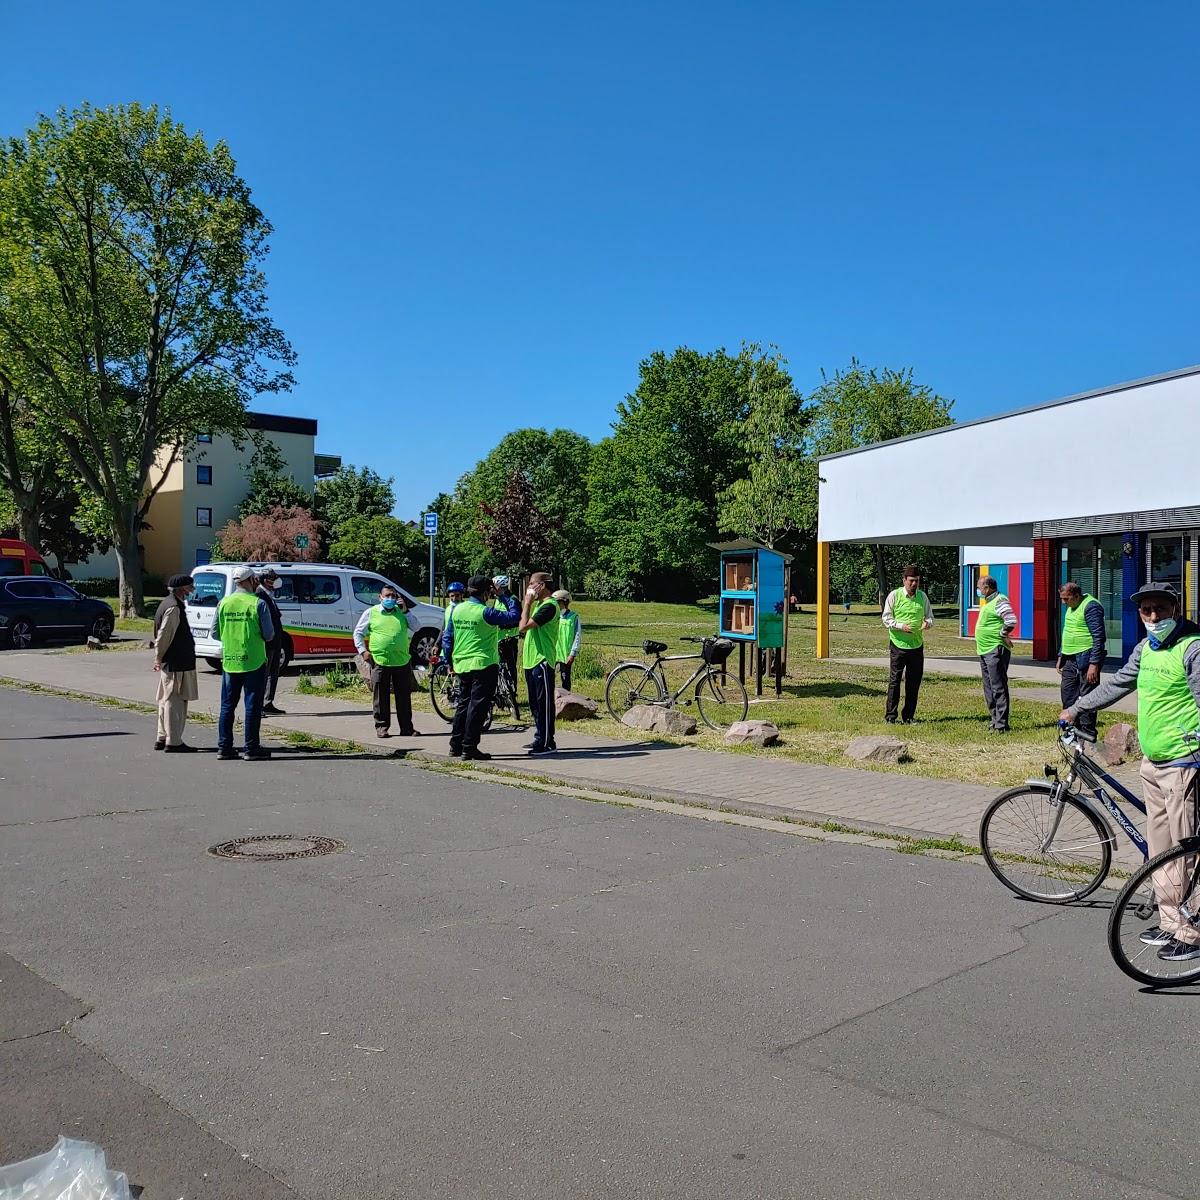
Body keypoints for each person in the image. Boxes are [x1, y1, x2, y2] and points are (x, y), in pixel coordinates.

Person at [1062, 581, 1200, 961]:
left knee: (1185, 850)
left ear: (1175, 609)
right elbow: (1119, 683)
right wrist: (1077, 708)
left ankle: (1190, 933)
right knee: (1160, 849)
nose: (1153, 616)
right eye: (1146, 610)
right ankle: (1171, 921)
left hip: (1183, 764)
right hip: (1153, 763)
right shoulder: (1145, 648)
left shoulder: (1192, 647)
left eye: (1160, 609)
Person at [442, 575, 520, 760]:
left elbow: (447, 637)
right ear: (487, 593)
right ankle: (469, 747)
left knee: (463, 704)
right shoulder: (486, 612)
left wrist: (449, 661)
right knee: (477, 707)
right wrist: (503, 595)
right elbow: (514, 616)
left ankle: (455, 745)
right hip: (483, 664)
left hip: (462, 663)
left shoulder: (457, 610)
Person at [215, 565, 275, 761]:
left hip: (230, 661)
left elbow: (215, 632)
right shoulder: (258, 603)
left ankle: (224, 747)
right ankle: (251, 748)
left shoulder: (223, 603)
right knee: (252, 706)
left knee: (227, 706)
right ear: (251, 580)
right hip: (254, 660)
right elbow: (269, 634)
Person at [354, 584, 418, 739]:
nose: (390, 598)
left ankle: (406, 728)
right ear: (380, 597)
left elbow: (417, 627)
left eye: (393, 596)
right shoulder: (371, 612)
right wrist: (363, 651)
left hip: (401, 661)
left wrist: (406, 611)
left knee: (404, 697)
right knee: (381, 697)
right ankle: (382, 727)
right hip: (380, 661)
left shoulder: (402, 612)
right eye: (387, 595)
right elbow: (358, 633)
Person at [881, 565, 933, 724]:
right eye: (911, 581)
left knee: (914, 682)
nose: (914, 584)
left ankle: (908, 716)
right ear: (904, 580)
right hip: (898, 645)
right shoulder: (894, 595)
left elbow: (930, 617)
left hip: (916, 646)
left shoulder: (922, 597)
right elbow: (886, 618)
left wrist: (927, 623)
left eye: (917, 581)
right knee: (895, 681)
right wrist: (900, 626)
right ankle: (891, 716)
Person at [152, 573, 198, 752]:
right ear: (183, 589)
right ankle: (173, 741)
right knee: (175, 700)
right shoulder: (173, 608)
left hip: (173, 661)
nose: (192, 590)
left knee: (166, 699)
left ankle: (162, 737)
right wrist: (158, 657)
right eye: (190, 587)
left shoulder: (168, 603)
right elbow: (164, 635)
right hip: (176, 662)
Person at [1056, 582, 1106, 740]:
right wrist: (1061, 656)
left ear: (1076, 596)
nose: (1063, 602)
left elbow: (1099, 637)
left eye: (1066, 599)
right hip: (1070, 658)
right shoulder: (1071, 607)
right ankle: (1072, 732)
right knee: (1068, 694)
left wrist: (1094, 664)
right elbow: (1068, 631)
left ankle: (1087, 735)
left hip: (1087, 658)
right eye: (1062, 599)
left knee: (1087, 698)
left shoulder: (1091, 606)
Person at [521, 572, 560, 756]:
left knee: (544, 704)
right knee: (535, 704)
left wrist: (527, 603)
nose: (529, 588)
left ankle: (546, 743)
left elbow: (523, 626)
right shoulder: (540, 605)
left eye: (532, 584)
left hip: (542, 660)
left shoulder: (549, 606)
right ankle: (541, 737)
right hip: (531, 660)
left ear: (542, 585)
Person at [975, 574, 1018, 733]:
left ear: (987, 588)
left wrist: (1003, 634)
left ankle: (1001, 724)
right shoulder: (989, 602)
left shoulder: (1000, 600)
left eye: (979, 587)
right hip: (984, 650)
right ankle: (995, 720)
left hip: (995, 650)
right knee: (989, 688)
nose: (978, 590)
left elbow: (1011, 620)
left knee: (998, 686)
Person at [257, 568, 286, 716]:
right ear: (265, 580)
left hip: (275, 641)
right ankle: (259, 706)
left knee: (273, 673)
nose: (275, 582)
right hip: (266, 642)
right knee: (263, 674)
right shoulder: (259, 594)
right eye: (272, 579)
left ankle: (267, 702)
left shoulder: (269, 594)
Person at [492, 575, 521, 717]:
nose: (492, 590)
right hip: (497, 639)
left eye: (494, 588)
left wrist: (503, 625)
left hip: (510, 639)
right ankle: (500, 696)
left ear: (500, 587)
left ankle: (512, 694)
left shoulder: (512, 599)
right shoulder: (497, 600)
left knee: (510, 667)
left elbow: (517, 619)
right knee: (497, 668)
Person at [553, 589, 581, 690]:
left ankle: (567, 697)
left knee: (565, 679)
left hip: (566, 654)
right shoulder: (554, 617)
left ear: (565, 602)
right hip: (553, 653)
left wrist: (572, 653)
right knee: (550, 678)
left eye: (558, 602)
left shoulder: (574, 617)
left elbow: (577, 635)